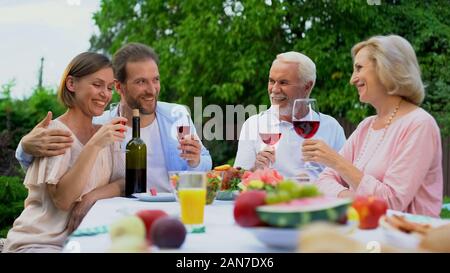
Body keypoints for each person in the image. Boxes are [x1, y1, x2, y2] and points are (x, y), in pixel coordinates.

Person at [16, 43, 212, 193]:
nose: (152, 90)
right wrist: (24, 147)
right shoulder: (99, 125)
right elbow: (46, 166)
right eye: (141, 82)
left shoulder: (177, 116)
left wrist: (195, 161)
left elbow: (205, 163)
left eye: (156, 80)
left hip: (173, 208)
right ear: (118, 87)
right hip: (119, 213)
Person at [303, 35, 443, 217]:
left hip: (409, 238)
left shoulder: (419, 124)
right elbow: (323, 181)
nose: (353, 79)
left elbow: (391, 202)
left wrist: (336, 161)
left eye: (359, 68)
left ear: (388, 69)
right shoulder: (366, 126)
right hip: (367, 231)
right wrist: (357, 198)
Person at [3, 52, 127, 252]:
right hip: (41, 242)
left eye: (110, 87)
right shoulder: (55, 133)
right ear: (71, 84)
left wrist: (91, 197)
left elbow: (124, 182)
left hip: (84, 242)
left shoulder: (105, 134)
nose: (105, 93)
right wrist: (94, 146)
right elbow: (63, 200)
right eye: (97, 85)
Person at [234, 52, 346, 180]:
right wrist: (255, 169)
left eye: (283, 82)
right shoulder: (253, 125)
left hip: (319, 198)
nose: (275, 90)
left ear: (307, 86)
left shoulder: (331, 127)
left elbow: (345, 179)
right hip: (274, 199)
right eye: (271, 81)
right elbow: (238, 182)